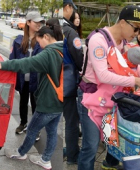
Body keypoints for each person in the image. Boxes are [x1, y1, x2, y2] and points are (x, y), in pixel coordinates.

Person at [78, 5, 140, 170]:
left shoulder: (125, 42)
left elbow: (132, 64)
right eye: (135, 29)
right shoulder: (98, 40)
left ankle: (108, 164)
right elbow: (103, 75)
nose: (137, 34)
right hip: (92, 100)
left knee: (111, 142)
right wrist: (135, 81)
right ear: (122, 22)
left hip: (112, 100)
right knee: (91, 146)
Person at [0, 25, 63, 170]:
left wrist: (2, 64)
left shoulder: (49, 53)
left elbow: (26, 63)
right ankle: (46, 159)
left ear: (46, 37)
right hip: (60, 101)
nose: (39, 46)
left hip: (47, 102)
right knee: (51, 132)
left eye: (39, 41)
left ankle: (21, 153)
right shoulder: (65, 49)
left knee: (31, 129)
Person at [9, 11, 45, 140]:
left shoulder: (42, 40)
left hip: (37, 79)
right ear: (28, 22)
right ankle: (23, 123)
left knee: (36, 104)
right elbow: (12, 60)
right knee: (23, 101)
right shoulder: (18, 41)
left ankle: (35, 128)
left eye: (40, 22)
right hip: (22, 79)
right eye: (36, 22)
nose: (39, 24)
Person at [63, 0, 84, 165]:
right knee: (71, 121)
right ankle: (72, 155)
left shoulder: (57, 27)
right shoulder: (71, 32)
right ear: (68, 8)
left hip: (56, 82)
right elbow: (79, 59)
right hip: (68, 83)